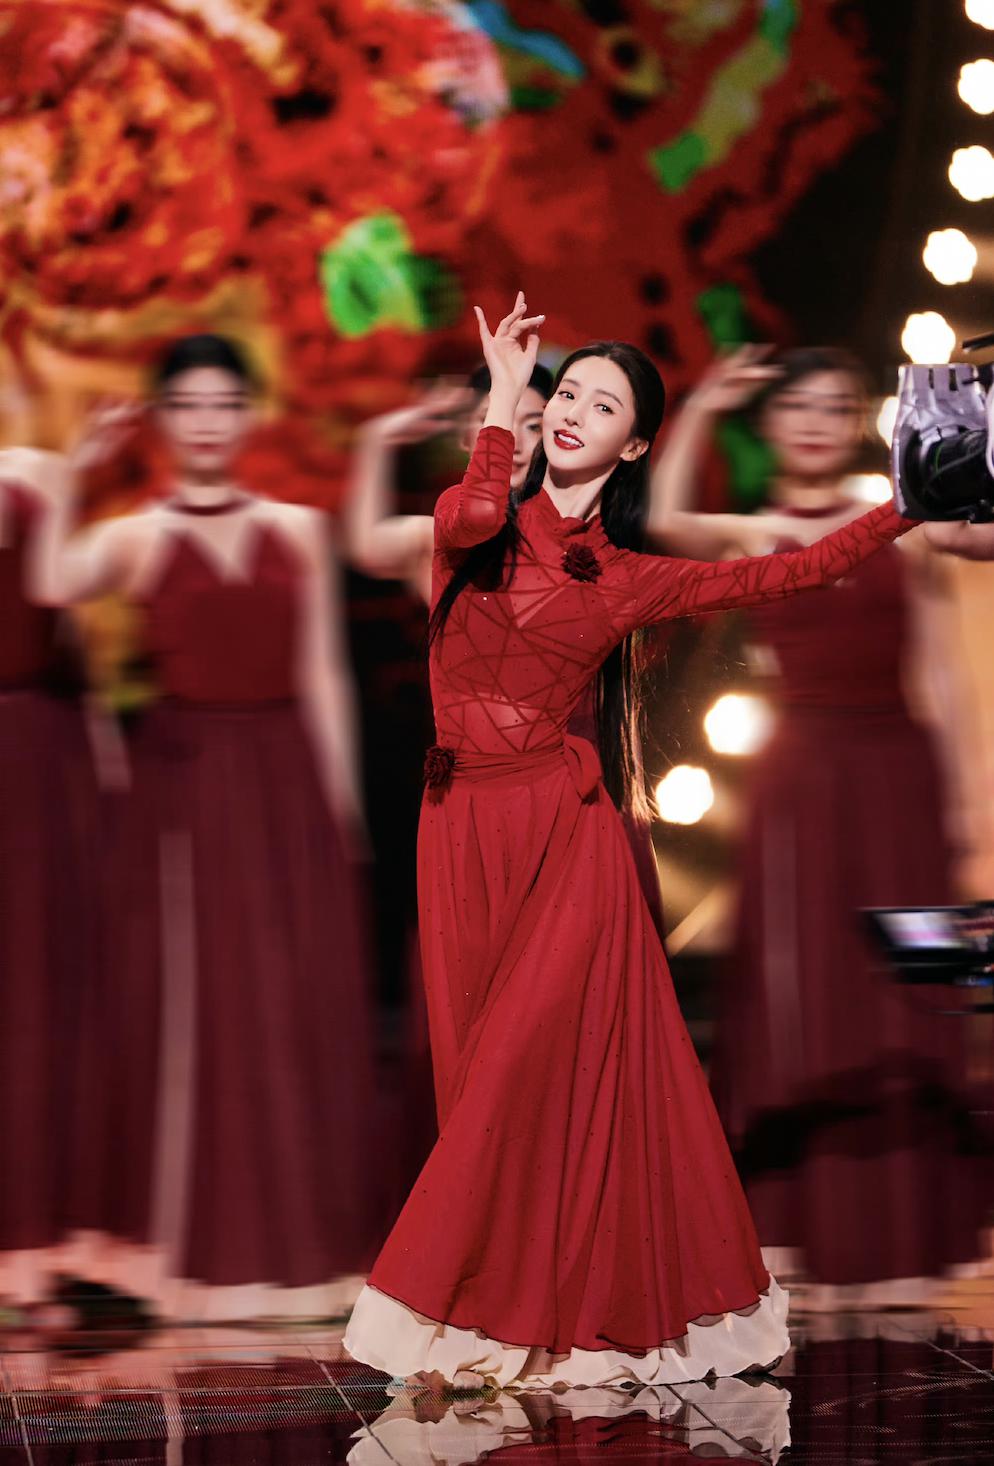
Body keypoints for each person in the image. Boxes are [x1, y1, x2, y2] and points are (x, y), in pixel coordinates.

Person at [344, 294, 922, 1387]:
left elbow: (785, 572)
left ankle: (475, 1314)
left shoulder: (628, 578)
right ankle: (515, 1315)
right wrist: (503, 395)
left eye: (601, 405)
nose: (573, 412)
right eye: (568, 393)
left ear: (638, 444)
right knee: (478, 1085)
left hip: (570, 845)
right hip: (456, 830)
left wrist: (904, 508)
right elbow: (478, 508)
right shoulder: (470, 522)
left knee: (519, 1071)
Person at [37, 333, 379, 1317]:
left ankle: (300, 1242)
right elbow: (52, 581)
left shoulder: (300, 528)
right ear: (160, 418)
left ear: (251, 414)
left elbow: (323, 670)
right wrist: (76, 473)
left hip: (283, 775)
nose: (206, 424)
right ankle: (193, 1253)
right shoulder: (138, 534)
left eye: (224, 404)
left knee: (288, 998)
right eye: (186, 405)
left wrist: (341, 808)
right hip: (184, 781)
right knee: (200, 1000)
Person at [651, 346, 985, 1298]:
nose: (813, 422)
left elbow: (942, 666)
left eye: (834, 407)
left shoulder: (900, 518)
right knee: (801, 983)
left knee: (910, 987)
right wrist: (703, 404)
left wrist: (964, 799)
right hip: (800, 779)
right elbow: (667, 519)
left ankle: (918, 1223)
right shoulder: (758, 529)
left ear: (855, 423)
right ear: (770, 424)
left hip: (898, 773)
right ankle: (796, 1226)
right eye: (795, 406)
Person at [345, 361, 666, 941]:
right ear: (469, 436)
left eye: (532, 423)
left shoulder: (592, 536)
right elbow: (366, 544)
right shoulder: (444, 541)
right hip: (486, 797)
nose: (513, 441)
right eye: (494, 421)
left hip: (582, 777)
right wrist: (377, 440)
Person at [0, 450, 103, 1312]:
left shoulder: (36, 474)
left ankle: (34, 1240)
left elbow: (72, 633)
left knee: (33, 995)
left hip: (32, 756)